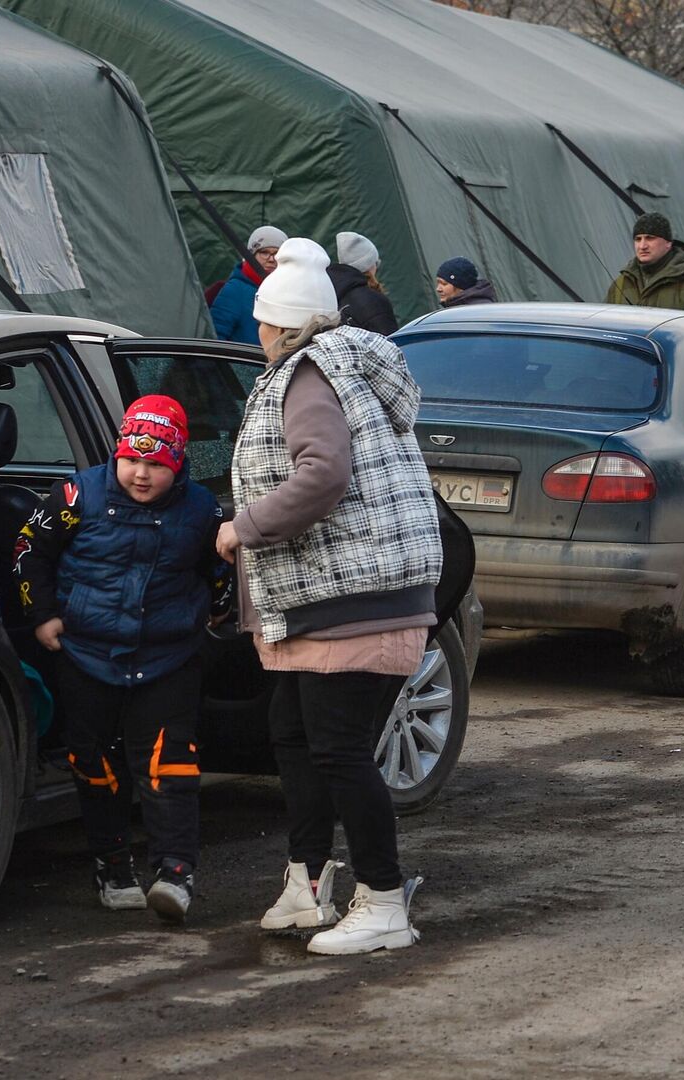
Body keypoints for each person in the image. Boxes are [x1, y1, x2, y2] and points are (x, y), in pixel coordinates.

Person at [216, 237, 442, 956]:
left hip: (352, 596)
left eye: (259, 324)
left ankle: (381, 901)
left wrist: (242, 528)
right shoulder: (335, 367)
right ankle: (308, 881)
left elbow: (323, 474)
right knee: (295, 735)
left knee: (339, 748)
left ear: (277, 325)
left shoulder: (308, 375)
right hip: (344, 594)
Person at [14, 394, 231, 924]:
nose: (141, 474)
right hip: (86, 656)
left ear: (178, 463)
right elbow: (28, 552)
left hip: (168, 658)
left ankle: (175, 873)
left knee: (169, 766)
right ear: (117, 454)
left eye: (156, 464)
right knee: (96, 766)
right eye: (132, 459)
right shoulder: (76, 495)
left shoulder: (202, 510)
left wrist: (215, 614)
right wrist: (41, 614)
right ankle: (113, 867)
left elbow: (222, 569)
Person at [603, 212, 684, 316]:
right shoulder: (620, 284)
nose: (642, 246)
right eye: (638, 239)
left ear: (668, 243)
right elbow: (603, 327)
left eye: (650, 238)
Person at [210, 225, 286, 346]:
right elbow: (214, 339)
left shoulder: (289, 292)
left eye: (276, 254)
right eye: (264, 252)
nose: (271, 259)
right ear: (252, 255)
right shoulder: (234, 290)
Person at [328, 231, 398, 335]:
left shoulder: (330, 299)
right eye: (376, 263)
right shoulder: (374, 301)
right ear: (370, 265)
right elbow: (392, 344)